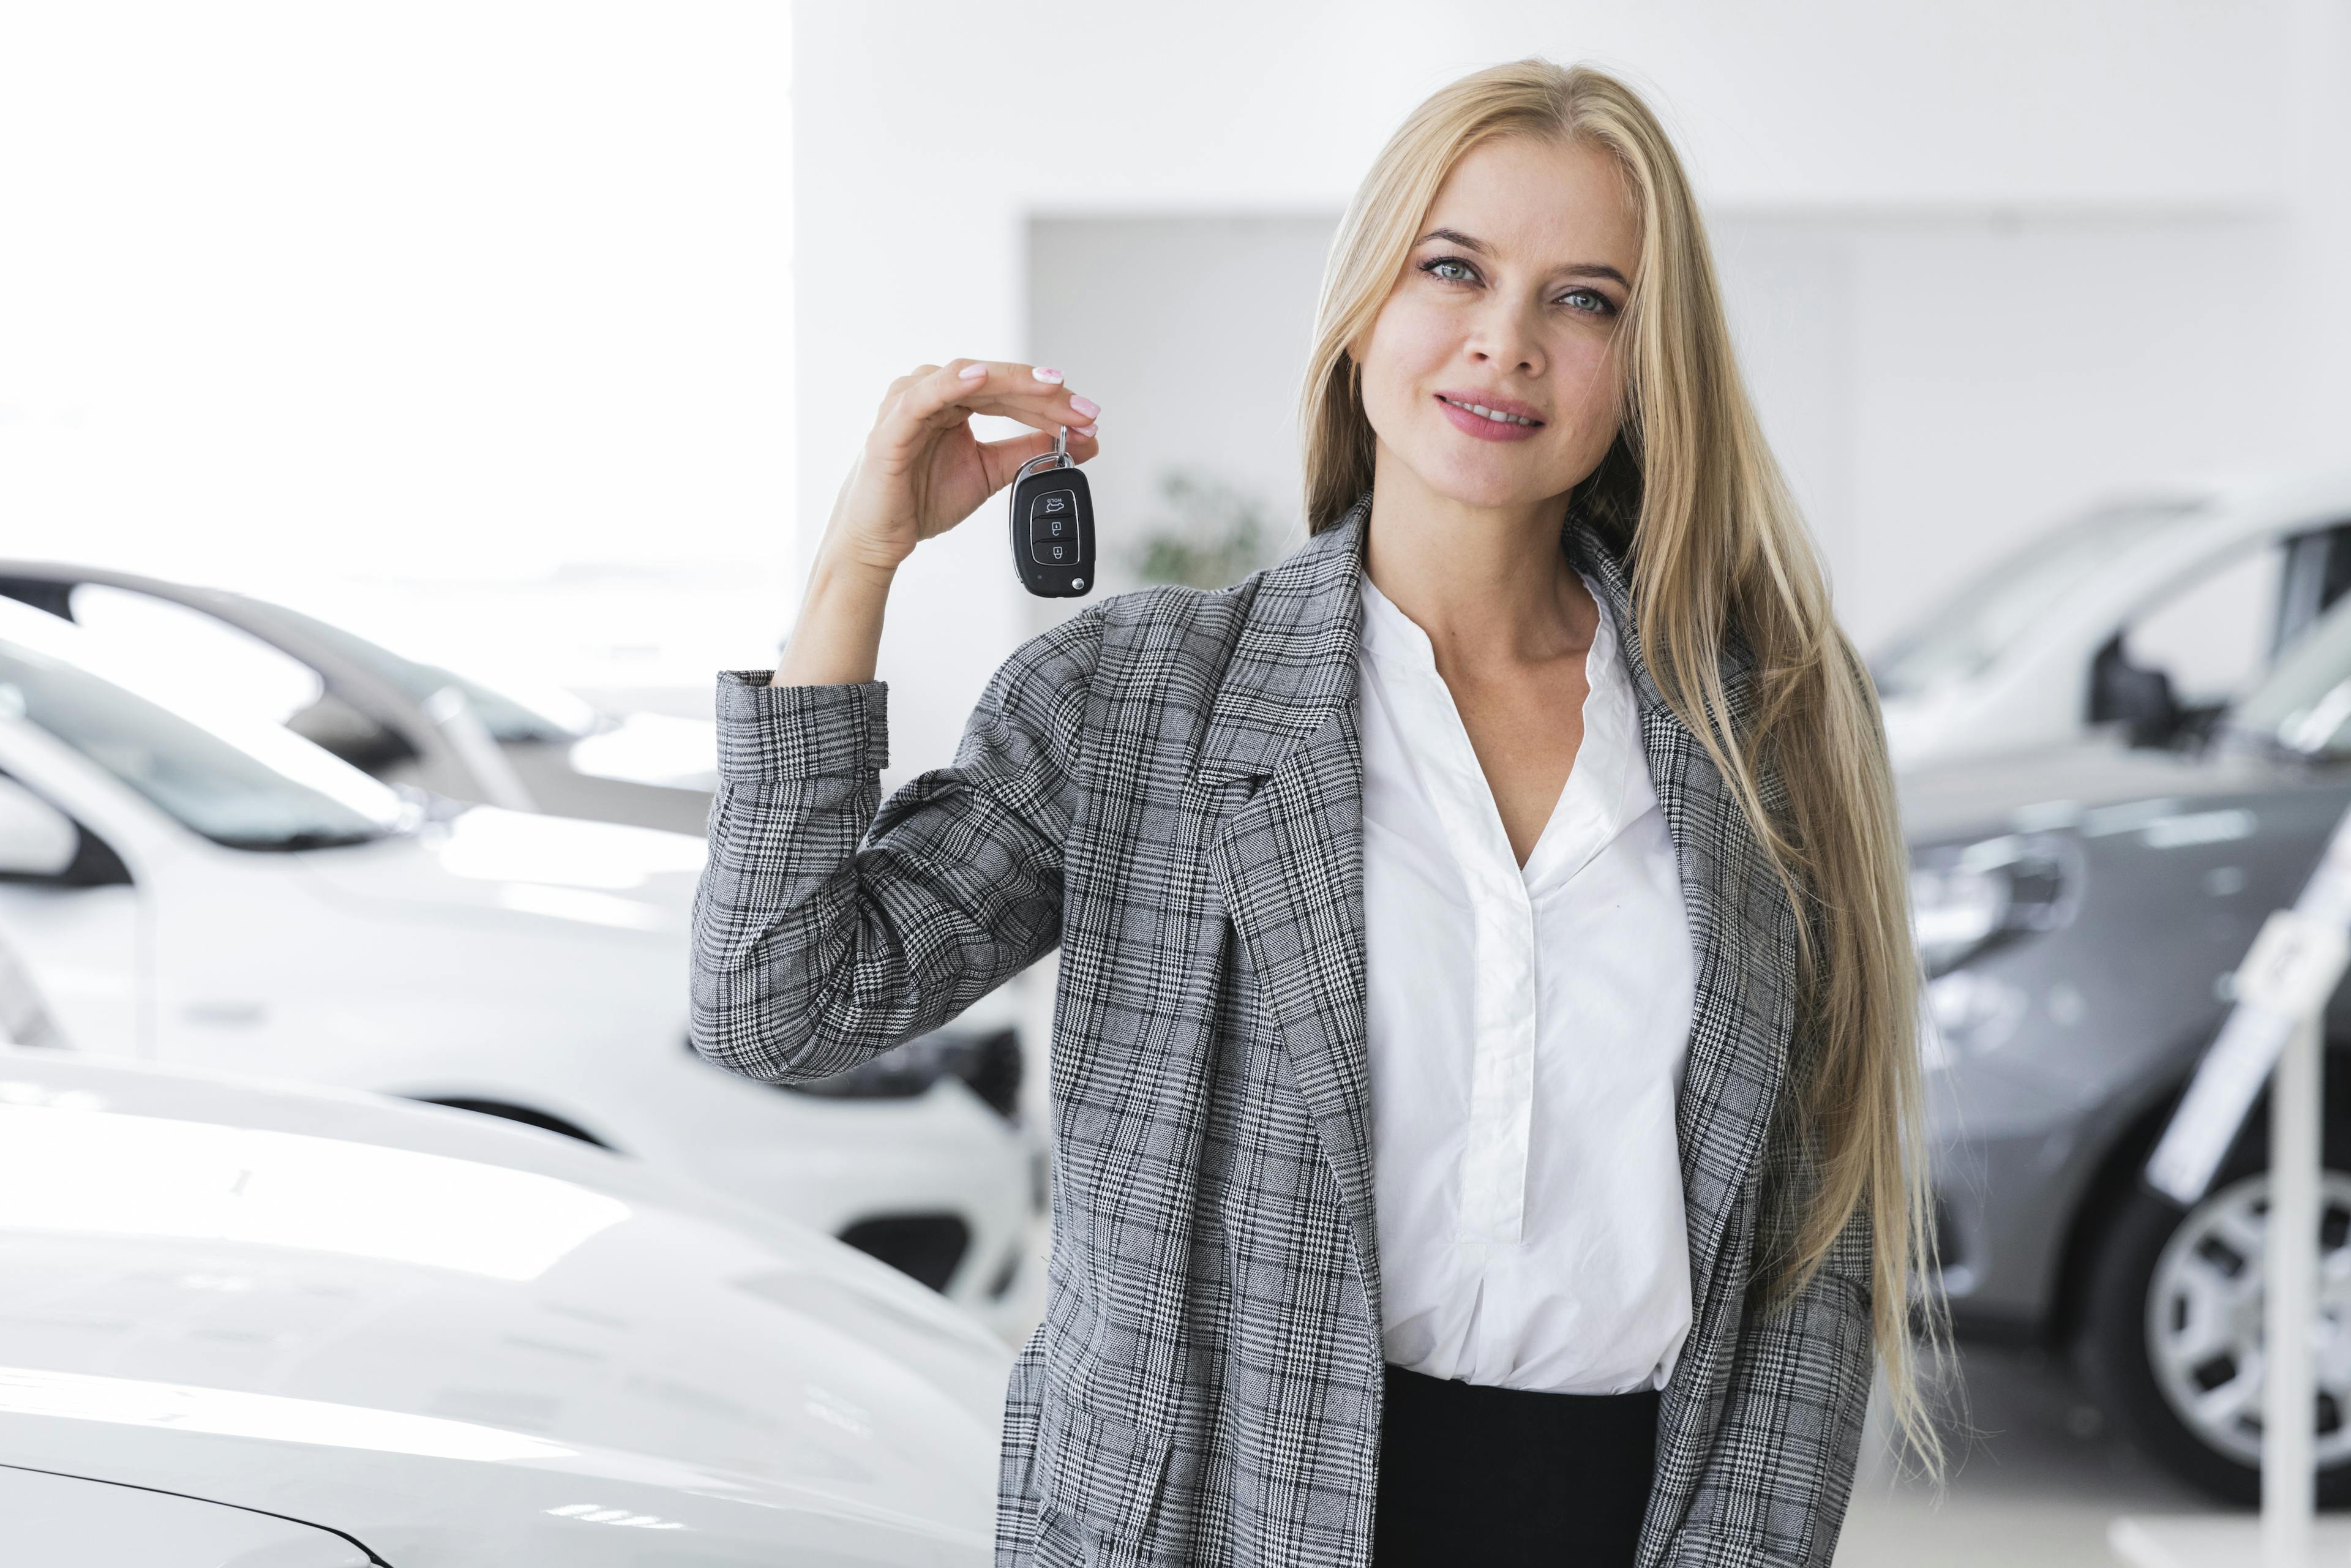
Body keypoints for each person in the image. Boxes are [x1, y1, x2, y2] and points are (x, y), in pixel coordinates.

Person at [691, 56, 1946, 1568]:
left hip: (1628, 1521)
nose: (1506, 344)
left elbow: (1808, 1255)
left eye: (1585, 299)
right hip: (1211, 1525)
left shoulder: (1775, 733)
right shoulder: (1140, 699)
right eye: (1453, 269)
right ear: (1363, 305)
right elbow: (775, 1002)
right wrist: (858, 566)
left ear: (1647, 362)